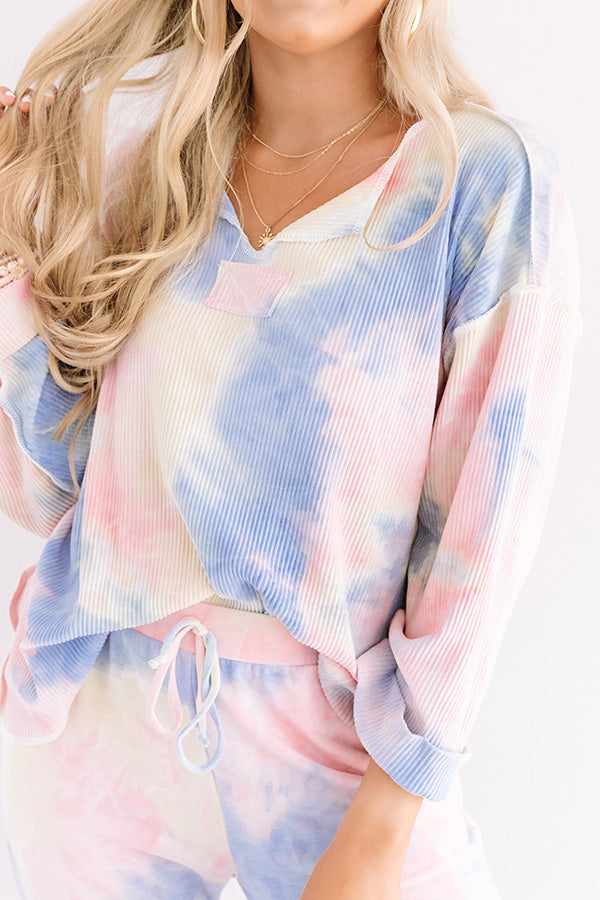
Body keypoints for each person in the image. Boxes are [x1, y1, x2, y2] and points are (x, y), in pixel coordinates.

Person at [0, 1, 582, 898]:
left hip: (348, 749)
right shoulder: (145, 173)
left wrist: (389, 817)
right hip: (103, 734)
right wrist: (12, 258)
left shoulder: (482, 181)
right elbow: (61, 496)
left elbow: (482, 538)